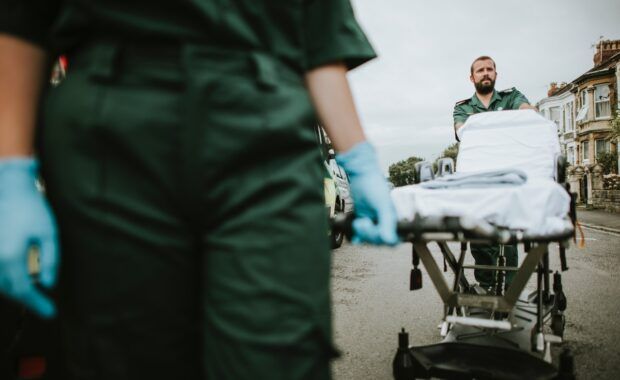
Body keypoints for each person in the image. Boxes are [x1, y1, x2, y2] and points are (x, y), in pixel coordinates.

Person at [0, 1, 398, 379]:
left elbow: (320, 38)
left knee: (280, 354)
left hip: (266, 126)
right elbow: (21, 21)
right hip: (112, 124)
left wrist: (357, 157)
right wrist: (11, 168)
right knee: (125, 357)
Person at [452, 55, 536, 291]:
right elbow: (463, 132)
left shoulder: (512, 96)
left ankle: (509, 289)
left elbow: (529, 114)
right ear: (472, 77)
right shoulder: (463, 107)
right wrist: (507, 124)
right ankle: (486, 285)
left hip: (508, 178)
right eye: (480, 70)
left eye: (490, 69)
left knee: (506, 237)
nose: (485, 73)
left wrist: (485, 127)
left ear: (495, 74)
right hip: (476, 181)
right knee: (478, 237)